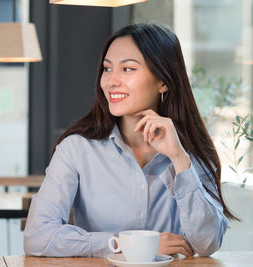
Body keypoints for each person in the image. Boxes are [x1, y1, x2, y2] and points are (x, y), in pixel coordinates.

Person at [23, 23, 237, 258]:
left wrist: (179, 159)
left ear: (163, 81)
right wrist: (124, 244)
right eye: (107, 68)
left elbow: (208, 244)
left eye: (127, 69)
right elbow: (37, 237)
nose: (111, 81)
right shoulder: (76, 149)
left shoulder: (190, 154)